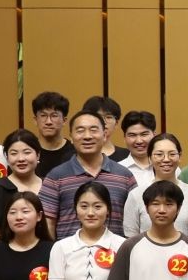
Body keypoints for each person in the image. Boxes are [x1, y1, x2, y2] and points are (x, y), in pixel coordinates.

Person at [40, 110, 137, 240]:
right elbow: (48, 224)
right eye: (80, 131)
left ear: (104, 135)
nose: (87, 136)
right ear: (71, 137)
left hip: (115, 251)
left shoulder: (125, 176)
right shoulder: (55, 177)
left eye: (93, 130)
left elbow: (135, 222)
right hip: (69, 252)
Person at [122, 133, 188, 239]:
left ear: (180, 156)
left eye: (172, 154)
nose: (166, 159)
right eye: (159, 154)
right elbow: (131, 237)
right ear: (149, 158)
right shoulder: (136, 194)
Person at [0, 130, 48, 243]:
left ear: (38, 155)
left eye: (27, 152)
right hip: (6, 251)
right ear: (7, 158)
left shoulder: (50, 186)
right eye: (14, 153)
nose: (21, 158)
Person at [31, 91, 75, 176]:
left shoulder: (75, 154)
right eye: (43, 115)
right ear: (35, 120)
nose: (48, 122)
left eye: (54, 116)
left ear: (64, 121)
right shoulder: (28, 152)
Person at [116, 110, 160, 188]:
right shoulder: (117, 170)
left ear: (154, 135)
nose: (139, 141)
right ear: (124, 138)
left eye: (144, 134)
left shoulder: (168, 166)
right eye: (132, 135)